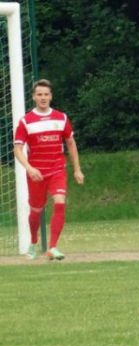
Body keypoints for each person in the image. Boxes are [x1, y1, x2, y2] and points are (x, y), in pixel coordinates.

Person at [13, 79, 84, 260]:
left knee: (60, 202)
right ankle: (34, 242)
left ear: (51, 96)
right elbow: (17, 149)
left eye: (46, 94)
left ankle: (52, 247)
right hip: (36, 174)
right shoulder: (26, 121)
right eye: (39, 94)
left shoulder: (61, 118)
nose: (43, 98)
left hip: (57, 169)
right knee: (36, 211)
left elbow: (70, 143)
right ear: (34, 97)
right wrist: (29, 168)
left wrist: (77, 169)